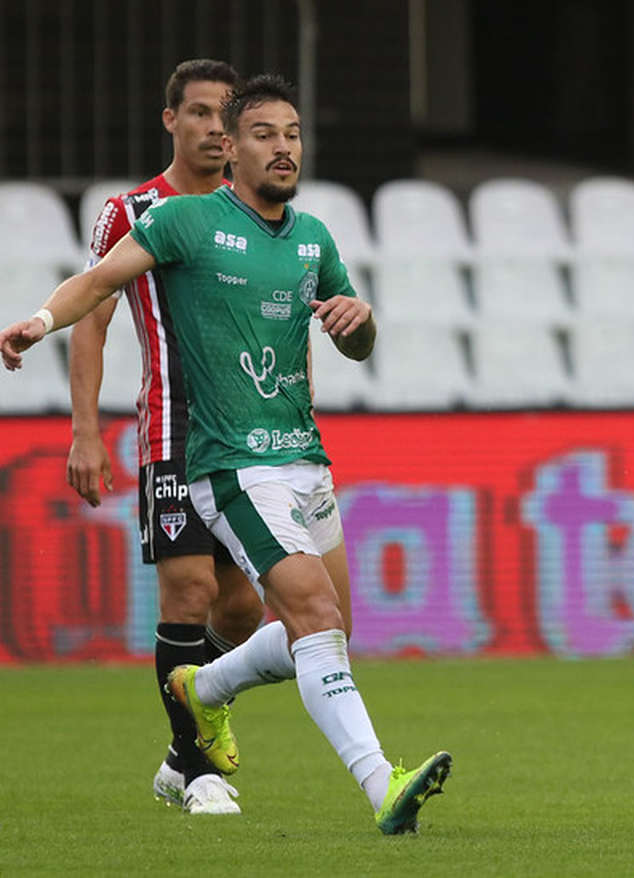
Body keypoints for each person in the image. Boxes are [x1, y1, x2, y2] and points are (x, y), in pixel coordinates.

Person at [1, 73, 450, 836]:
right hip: (223, 458)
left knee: (321, 623)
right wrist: (37, 322)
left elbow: (358, 342)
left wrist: (359, 324)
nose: (283, 147)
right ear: (231, 150)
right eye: (265, 134)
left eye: (293, 134)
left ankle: (201, 691)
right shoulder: (181, 222)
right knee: (299, 611)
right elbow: (99, 285)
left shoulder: (313, 238)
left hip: (305, 458)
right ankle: (382, 785)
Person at [72, 58, 267, 816]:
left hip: (249, 436)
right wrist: (86, 433)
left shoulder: (253, 209)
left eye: (227, 115)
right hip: (173, 431)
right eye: (201, 113)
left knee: (245, 610)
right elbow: (91, 321)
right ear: (172, 121)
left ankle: (177, 755)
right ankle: (199, 772)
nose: (216, 128)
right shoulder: (129, 210)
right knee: (188, 592)